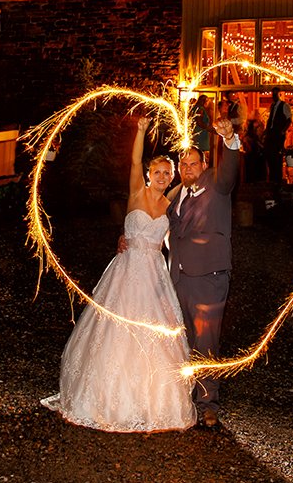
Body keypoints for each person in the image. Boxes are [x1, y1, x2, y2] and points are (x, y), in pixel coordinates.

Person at [41, 118, 196, 433]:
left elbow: (194, 180)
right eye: (158, 172)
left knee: (155, 334)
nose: (163, 177)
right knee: (115, 329)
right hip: (126, 271)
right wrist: (140, 130)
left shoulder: (171, 202)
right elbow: (135, 159)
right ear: (149, 175)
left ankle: (155, 400)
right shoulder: (137, 192)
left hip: (154, 276)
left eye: (168, 173)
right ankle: (105, 397)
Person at [167, 115, 242, 428]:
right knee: (180, 339)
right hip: (178, 277)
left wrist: (230, 140)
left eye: (193, 163)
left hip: (209, 277)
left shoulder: (216, 183)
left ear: (205, 162)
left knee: (206, 339)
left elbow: (229, 171)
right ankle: (180, 395)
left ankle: (207, 401)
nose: (188, 169)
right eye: (183, 164)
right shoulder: (177, 195)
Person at [263, 89, 292, 183]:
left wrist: (282, 131)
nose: (273, 96)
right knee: (269, 156)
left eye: (275, 94)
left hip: (277, 135)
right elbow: (270, 120)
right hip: (271, 134)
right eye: (272, 94)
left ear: (278, 94)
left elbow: (289, 119)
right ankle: (271, 178)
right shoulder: (273, 106)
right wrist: (267, 131)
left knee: (276, 157)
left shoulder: (284, 105)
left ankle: (277, 179)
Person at [191, 95, 212, 163]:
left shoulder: (195, 108)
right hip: (200, 135)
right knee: (201, 154)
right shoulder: (200, 109)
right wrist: (208, 128)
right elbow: (199, 121)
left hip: (197, 134)